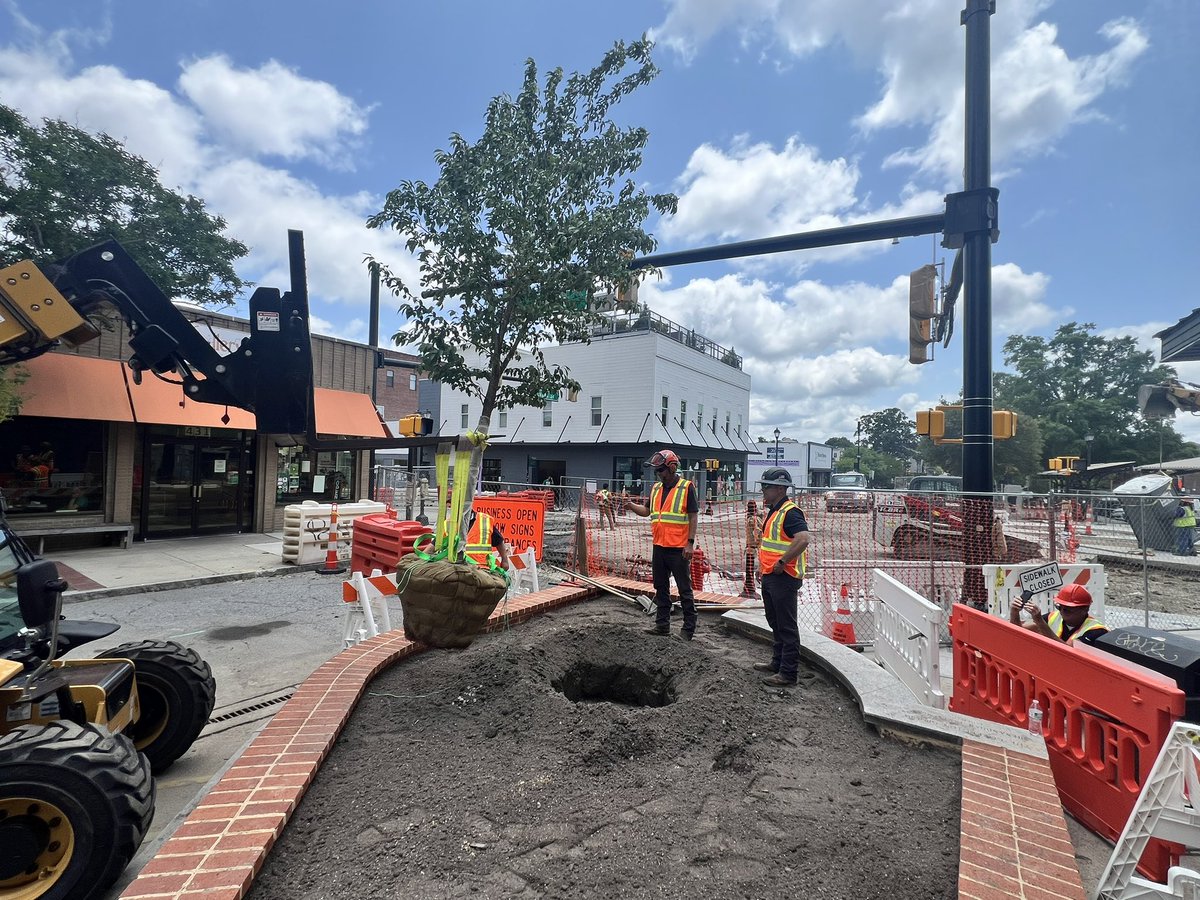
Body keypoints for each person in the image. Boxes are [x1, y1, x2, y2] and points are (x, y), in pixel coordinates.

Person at [623, 449, 699, 640]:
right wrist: (631, 505)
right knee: (661, 588)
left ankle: (688, 629)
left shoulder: (686, 488)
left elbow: (693, 516)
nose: (659, 474)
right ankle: (662, 625)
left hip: (678, 548)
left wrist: (690, 543)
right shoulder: (656, 489)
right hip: (659, 546)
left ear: (672, 468)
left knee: (684, 589)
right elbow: (647, 511)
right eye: (657, 471)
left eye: (661, 470)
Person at [753, 468, 811, 687]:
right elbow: (770, 544)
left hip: (784, 576)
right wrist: (763, 566)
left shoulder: (790, 512)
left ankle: (788, 673)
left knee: (786, 626)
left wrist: (782, 562)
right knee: (774, 621)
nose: (763, 490)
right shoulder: (774, 511)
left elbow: (803, 539)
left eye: (766, 486)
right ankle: (777, 663)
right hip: (771, 574)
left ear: (779, 488)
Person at [1008, 583, 1108, 645]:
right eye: (1059, 607)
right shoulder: (1054, 616)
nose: (1062, 611)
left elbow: (1069, 653)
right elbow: (1017, 632)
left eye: (1068, 609)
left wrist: (1040, 622)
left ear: (1085, 609)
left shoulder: (1096, 631)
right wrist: (1014, 612)